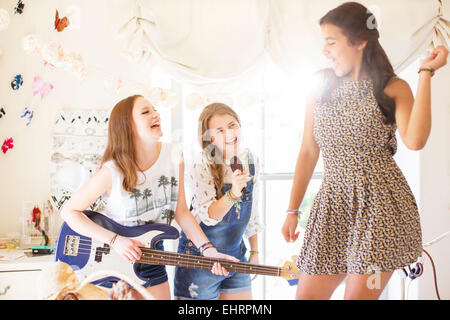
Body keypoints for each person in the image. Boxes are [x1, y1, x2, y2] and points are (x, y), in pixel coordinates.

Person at [281, 2, 448, 300]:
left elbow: (416, 140)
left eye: (331, 42)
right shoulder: (319, 85)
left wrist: (425, 73)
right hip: (333, 204)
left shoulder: (392, 88)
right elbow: (308, 150)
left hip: (381, 210)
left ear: (360, 41)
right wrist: (292, 209)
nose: (325, 51)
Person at [60, 95, 237, 300]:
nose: (156, 114)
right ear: (128, 126)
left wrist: (208, 251)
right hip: (114, 256)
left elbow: (181, 212)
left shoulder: (173, 155)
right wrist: (116, 240)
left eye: (155, 110)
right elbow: (69, 212)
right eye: (146, 112)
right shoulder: (112, 171)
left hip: (153, 254)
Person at [174, 103, 262, 300]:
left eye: (232, 125)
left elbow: (252, 212)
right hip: (199, 257)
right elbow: (210, 216)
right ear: (210, 138)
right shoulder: (201, 162)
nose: (229, 133)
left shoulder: (251, 160)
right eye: (220, 130)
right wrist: (233, 193)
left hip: (235, 255)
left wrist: (255, 251)